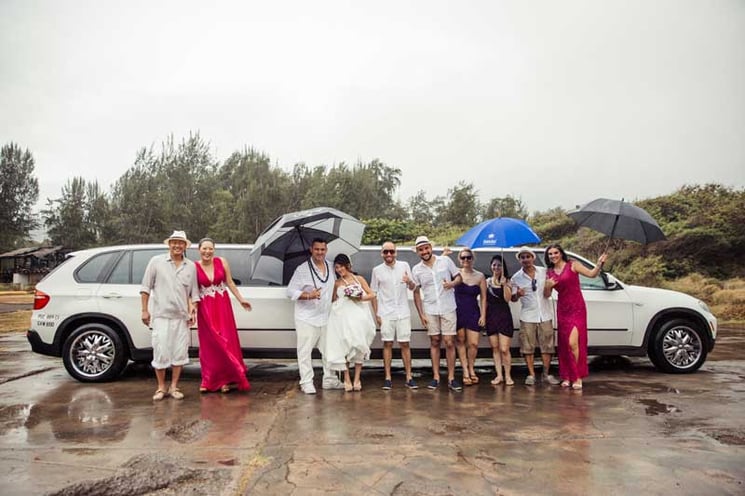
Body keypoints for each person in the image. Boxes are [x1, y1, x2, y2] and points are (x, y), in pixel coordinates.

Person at [140, 230, 200, 401]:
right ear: (169, 244)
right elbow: (145, 288)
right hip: (161, 316)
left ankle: (174, 386)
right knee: (160, 351)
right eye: (174, 242)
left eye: (181, 243)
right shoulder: (156, 262)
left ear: (185, 246)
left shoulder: (191, 266)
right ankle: (160, 387)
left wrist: (192, 309)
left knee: (179, 353)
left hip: (181, 318)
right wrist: (144, 310)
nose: (177, 245)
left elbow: (193, 294)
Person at [544, 244, 607, 390]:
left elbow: (592, 274)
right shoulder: (550, 272)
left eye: (556, 253)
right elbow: (546, 295)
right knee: (565, 344)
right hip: (562, 309)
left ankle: (577, 376)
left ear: (561, 253)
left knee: (573, 343)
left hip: (577, 307)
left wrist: (599, 264)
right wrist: (548, 286)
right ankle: (566, 376)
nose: (553, 256)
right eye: (550, 254)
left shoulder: (573, 265)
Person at [286, 238, 345, 394]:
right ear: (311, 250)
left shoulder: (332, 266)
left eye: (323, 249)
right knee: (305, 351)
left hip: (327, 316)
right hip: (307, 317)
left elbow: (344, 279)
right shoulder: (302, 269)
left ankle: (330, 380)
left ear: (326, 250)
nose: (320, 252)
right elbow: (290, 291)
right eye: (317, 249)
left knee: (329, 350)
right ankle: (306, 382)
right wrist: (308, 295)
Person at [194, 237, 251, 394]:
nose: (207, 251)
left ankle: (225, 380)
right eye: (204, 248)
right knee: (209, 345)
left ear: (214, 249)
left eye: (210, 248)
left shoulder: (222, 262)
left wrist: (241, 300)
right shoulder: (193, 267)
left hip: (222, 306)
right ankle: (209, 380)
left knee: (226, 341)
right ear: (199, 250)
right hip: (205, 309)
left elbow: (230, 283)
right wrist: (191, 308)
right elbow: (190, 291)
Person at [411, 235, 463, 392]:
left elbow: (459, 277)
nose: (424, 251)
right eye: (421, 249)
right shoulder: (416, 269)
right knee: (434, 341)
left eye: (426, 248)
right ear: (418, 252)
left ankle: (452, 378)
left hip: (448, 307)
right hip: (430, 309)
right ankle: (436, 377)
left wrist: (452, 284)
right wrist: (421, 315)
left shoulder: (445, 261)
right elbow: (415, 292)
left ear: (430, 248)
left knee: (449, 342)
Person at [325, 254, 377, 391]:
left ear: (347, 265)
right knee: (345, 347)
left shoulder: (359, 279)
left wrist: (360, 297)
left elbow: (372, 294)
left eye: (341, 266)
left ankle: (357, 378)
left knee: (359, 346)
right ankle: (347, 378)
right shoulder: (337, 283)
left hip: (359, 317)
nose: (339, 269)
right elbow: (332, 300)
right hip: (342, 318)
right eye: (336, 267)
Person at [370, 241, 418, 390]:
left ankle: (409, 377)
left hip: (403, 312)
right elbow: (373, 294)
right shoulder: (377, 270)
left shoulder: (404, 266)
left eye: (391, 251)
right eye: (386, 252)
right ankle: (388, 377)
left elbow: (413, 287)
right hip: (386, 313)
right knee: (387, 344)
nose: (389, 254)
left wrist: (409, 281)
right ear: (381, 253)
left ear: (396, 252)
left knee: (405, 344)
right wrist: (377, 314)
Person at [510, 246, 560, 386]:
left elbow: (547, 294)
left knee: (547, 346)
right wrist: (517, 294)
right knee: (527, 347)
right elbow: (512, 299)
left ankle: (546, 374)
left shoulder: (544, 272)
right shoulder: (516, 278)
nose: (526, 259)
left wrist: (548, 286)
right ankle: (531, 375)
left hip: (545, 314)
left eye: (528, 256)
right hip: (528, 316)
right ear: (519, 260)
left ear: (533, 257)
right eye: (522, 257)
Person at [454, 248, 487, 386]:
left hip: (473, 311)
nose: (466, 260)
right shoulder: (454, 274)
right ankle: (465, 371)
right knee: (460, 342)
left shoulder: (480, 276)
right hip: (457, 311)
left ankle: (471, 367)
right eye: (463, 258)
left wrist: (483, 315)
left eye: (468, 257)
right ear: (459, 259)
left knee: (473, 344)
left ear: (473, 259)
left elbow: (484, 298)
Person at [484, 254, 515, 386]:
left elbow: (508, 299)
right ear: (491, 266)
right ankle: (499, 375)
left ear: (503, 267)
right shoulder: (487, 282)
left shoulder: (508, 281)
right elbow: (484, 301)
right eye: (494, 264)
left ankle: (508, 376)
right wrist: (483, 316)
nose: (496, 267)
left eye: (499, 265)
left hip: (504, 317)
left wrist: (504, 286)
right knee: (495, 348)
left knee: (504, 349)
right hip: (491, 317)